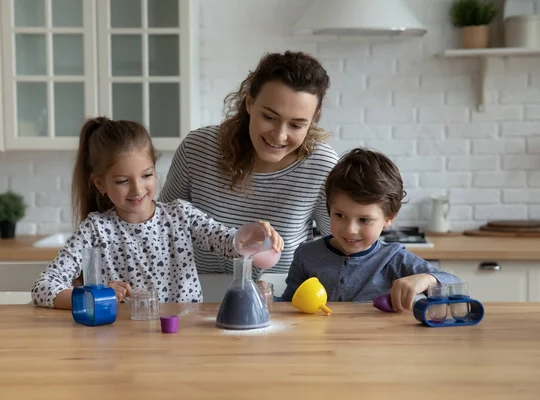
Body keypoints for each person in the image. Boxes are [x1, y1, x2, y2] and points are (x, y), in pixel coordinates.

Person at [32, 117, 283, 309]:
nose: (138, 189)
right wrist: (96, 297)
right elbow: (43, 287)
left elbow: (227, 242)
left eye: (147, 175)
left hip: (183, 339)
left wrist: (251, 234)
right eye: (122, 181)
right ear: (100, 184)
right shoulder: (95, 230)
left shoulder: (181, 215)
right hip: (124, 342)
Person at [159, 50, 339, 277]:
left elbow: (341, 244)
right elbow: (162, 225)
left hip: (283, 301)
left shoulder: (322, 166)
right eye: (270, 117)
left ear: (313, 120)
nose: (279, 136)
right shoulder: (198, 149)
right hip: (196, 296)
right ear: (250, 103)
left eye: (296, 125)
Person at [281, 148, 460, 311]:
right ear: (329, 209)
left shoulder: (393, 258)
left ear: (388, 219)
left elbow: (455, 285)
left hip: (376, 344)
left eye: (364, 220)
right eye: (340, 215)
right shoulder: (306, 254)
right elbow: (288, 306)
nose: (350, 230)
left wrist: (427, 280)